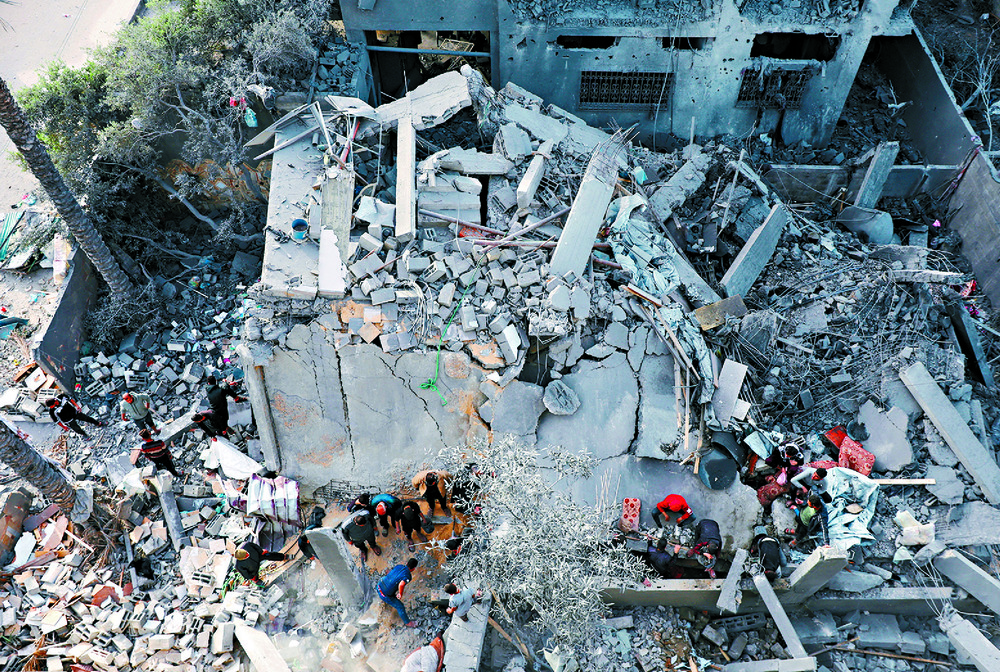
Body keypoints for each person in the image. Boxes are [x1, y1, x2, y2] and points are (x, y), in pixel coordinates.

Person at [376, 558, 419, 627]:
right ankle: (408, 623)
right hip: (384, 594)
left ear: (407, 563)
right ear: (413, 569)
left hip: (379, 585)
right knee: (400, 607)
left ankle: (387, 599)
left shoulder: (399, 566)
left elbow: (391, 573)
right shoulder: (407, 576)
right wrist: (400, 594)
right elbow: (401, 584)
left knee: (391, 587)